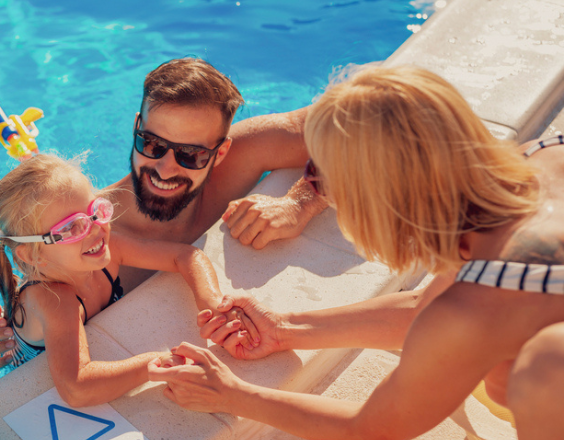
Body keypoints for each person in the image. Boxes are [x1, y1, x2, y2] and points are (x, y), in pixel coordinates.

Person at [148, 65, 564, 439]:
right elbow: (432, 304)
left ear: (379, 198)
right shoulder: (544, 155)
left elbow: (372, 427)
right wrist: (285, 329)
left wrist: (232, 394)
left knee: (525, 377)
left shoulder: (473, 312)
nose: (318, 189)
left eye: (321, 178)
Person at [0, 57, 329, 376]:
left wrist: (304, 200)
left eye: (191, 155)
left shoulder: (244, 155)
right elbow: (31, 330)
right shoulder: (91, 234)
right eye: (152, 144)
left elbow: (368, 118)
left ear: (220, 151)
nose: (165, 169)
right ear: (137, 127)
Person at [0, 154, 254, 407]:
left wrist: (211, 302)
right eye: (71, 227)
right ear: (33, 255)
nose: (95, 230)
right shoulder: (53, 299)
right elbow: (76, 389)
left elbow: (185, 256)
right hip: (15, 380)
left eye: (95, 211)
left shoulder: (106, 250)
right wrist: (152, 363)